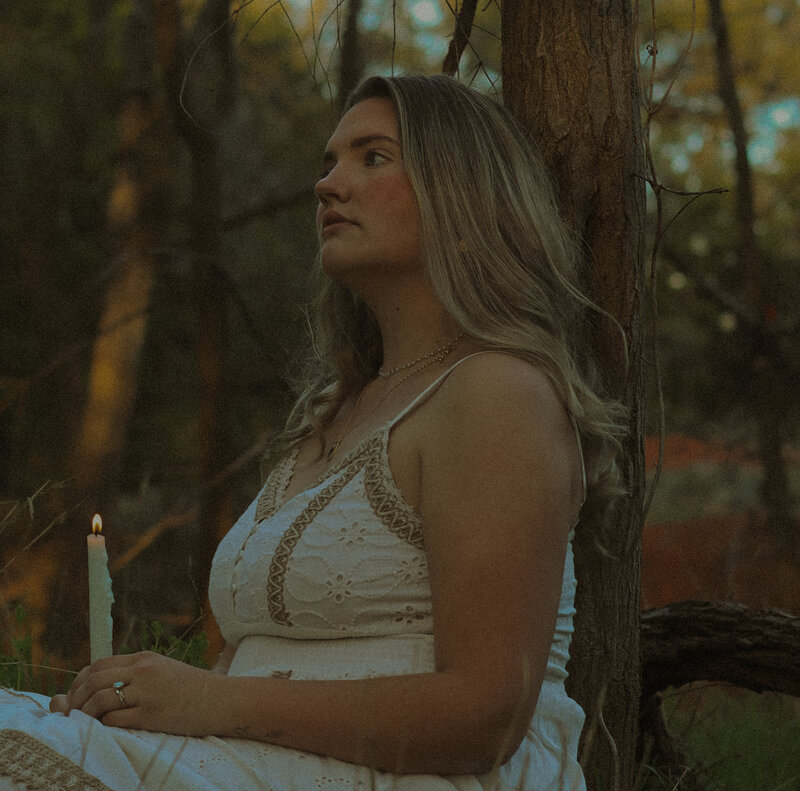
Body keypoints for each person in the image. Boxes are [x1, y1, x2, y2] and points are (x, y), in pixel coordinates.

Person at [0, 74, 625, 791]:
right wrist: (138, 709)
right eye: (329, 162)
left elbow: (486, 715)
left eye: (373, 157)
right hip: (252, 763)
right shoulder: (335, 408)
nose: (330, 184)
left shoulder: (496, 391)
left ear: (463, 193)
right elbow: (241, 672)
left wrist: (208, 700)